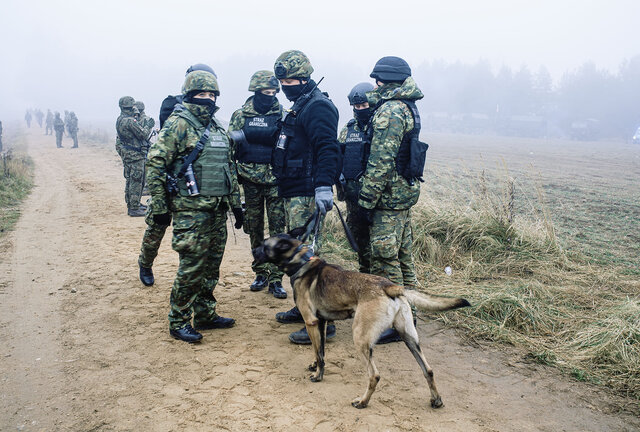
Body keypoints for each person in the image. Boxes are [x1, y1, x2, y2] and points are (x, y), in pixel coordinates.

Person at [146, 70, 243, 343]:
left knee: (212, 266)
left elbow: (228, 168)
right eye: (202, 94)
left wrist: (236, 205)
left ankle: (205, 313)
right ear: (190, 95)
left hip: (216, 210)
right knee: (191, 267)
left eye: (212, 94)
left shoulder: (216, 126)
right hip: (190, 212)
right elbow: (155, 163)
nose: (208, 99)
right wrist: (161, 205)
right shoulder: (178, 124)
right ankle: (178, 320)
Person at [271, 50, 341, 344]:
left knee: (306, 259)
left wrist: (323, 185)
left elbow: (328, 148)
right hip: (293, 190)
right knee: (295, 256)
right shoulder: (300, 105)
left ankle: (322, 321)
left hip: (307, 192)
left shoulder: (318, 107)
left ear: (305, 78)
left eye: (291, 80)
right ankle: (302, 308)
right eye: (282, 81)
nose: (286, 85)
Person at [357, 56, 425, 343]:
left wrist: (365, 201)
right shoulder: (408, 105)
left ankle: (397, 323)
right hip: (402, 194)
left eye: (377, 81)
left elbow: (381, 161)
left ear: (383, 80)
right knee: (403, 257)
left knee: (385, 257)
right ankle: (411, 315)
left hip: (388, 197)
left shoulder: (391, 111)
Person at [138, 64, 214, 287]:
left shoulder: (207, 110)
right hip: (171, 175)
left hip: (193, 186)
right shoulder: (172, 104)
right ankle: (145, 262)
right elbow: (166, 138)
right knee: (156, 225)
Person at [228, 70, 287, 298]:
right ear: (256, 91)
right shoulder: (240, 115)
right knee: (254, 229)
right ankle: (260, 271)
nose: (269, 96)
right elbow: (231, 151)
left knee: (277, 231)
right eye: (265, 92)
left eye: (273, 92)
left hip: (275, 181)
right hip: (249, 180)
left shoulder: (283, 114)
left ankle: (276, 277)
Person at [337, 82, 375, 274]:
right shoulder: (348, 129)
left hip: (375, 198)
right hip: (352, 197)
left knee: (377, 243)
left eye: (364, 106)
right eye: (357, 107)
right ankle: (365, 274)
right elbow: (339, 155)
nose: (360, 110)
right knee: (358, 239)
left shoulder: (379, 128)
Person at [116, 96, 150, 217]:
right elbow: (143, 134)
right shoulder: (129, 121)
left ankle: (133, 204)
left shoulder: (120, 119)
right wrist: (148, 125)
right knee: (137, 179)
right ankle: (134, 208)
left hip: (128, 153)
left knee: (130, 179)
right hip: (135, 154)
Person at [159, 63, 217, 130]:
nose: (207, 98)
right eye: (202, 94)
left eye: (211, 95)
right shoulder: (172, 104)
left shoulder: (210, 110)